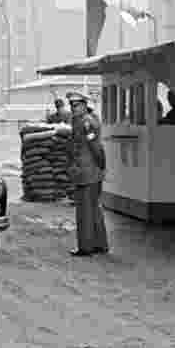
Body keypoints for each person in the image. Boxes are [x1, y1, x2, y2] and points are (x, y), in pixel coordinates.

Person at [65, 91, 109, 256]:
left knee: (85, 211)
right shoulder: (80, 121)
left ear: (84, 105)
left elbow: (96, 147)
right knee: (94, 209)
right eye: (71, 105)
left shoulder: (87, 123)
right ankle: (100, 244)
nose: (73, 108)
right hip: (86, 172)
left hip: (87, 173)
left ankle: (86, 247)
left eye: (76, 105)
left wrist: (102, 166)